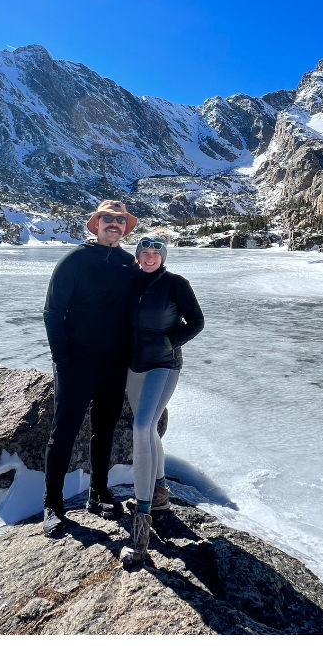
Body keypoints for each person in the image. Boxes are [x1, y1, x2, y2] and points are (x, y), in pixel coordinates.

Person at [41, 198, 139, 537]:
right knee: (64, 432)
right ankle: (52, 505)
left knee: (105, 430)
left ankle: (99, 493)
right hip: (77, 363)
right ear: (95, 224)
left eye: (120, 220)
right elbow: (52, 312)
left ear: (125, 228)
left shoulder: (130, 264)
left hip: (115, 364)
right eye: (108, 219)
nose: (114, 224)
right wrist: (61, 359)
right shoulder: (75, 261)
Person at [121, 235, 205, 566]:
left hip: (164, 365)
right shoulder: (130, 283)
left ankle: (141, 531)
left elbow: (196, 322)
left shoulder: (175, 284)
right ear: (138, 256)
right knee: (150, 427)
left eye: (157, 252)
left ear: (163, 256)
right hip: (134, 366)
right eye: (145, 251)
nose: (151, 256)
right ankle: (158, 494)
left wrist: (170, 342)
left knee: (142, 426)